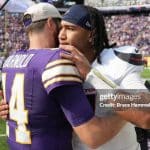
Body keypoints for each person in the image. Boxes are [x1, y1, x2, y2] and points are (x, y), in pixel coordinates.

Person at [0, 3, 126, 150]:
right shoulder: (56, 60)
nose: (62, 35)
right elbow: (93, 136)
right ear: (51, 24)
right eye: (62, 26)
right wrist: (126, 115)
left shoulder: (10, 61)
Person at [58, 4, 150, 150]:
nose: (61, 35)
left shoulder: (117, 61)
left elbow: (146, 115)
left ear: (91, 34)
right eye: (61, 28)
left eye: (70, 29)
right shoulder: (55, 65)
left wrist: (91, 75)